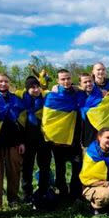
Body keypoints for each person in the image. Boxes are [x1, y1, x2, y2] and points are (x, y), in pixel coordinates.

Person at [42, 69, 83, 200]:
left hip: (74, 137)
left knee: (77, 166)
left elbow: (88, 88)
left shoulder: (77, 93)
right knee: (60, 168)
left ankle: (75, 193)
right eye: (63, 79)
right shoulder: (52, 96)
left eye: (68, 78)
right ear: (57, 81)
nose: (66, 81)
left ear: (72, 79)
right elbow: (48, 119)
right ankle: (63, 192)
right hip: (58, 140)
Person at [0, 73, 26, 210]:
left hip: (13, 142)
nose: (3, 84)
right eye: (0, 81)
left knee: (14, 172)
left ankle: (13, 199)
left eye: (6, 81)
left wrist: (21, 142)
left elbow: (21, 122)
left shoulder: (15, 99)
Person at [21, 76, 52, 204]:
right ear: (27, 89)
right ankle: (27, 193)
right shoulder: (21, 101)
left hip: (44, 140)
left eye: (37, 87)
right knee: (27, 168)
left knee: (45, 166)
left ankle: (43, 190)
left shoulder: (46, 99)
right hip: (28, 140)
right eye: (32, 87)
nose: (35, 89)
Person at [79, 72, 109, 148]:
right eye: (85, 82)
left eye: (90, 81)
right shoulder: (78, 95)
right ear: (80, 84)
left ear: (93, 81)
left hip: (102, 135)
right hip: (87, 135)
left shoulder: (103, 95)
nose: (88, 84)